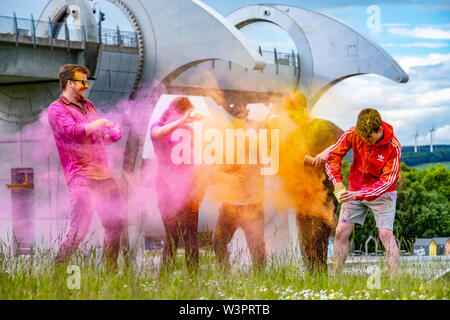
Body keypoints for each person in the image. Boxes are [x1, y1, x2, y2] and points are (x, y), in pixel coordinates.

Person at [48, 64, 124, 266]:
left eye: (86, 81)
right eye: (81, 81)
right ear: (69, 83)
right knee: (79, 230)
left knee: (116, 223)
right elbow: (73, 131)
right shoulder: (56, 109)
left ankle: (110, 272)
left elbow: (98, 136)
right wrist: (99, 124)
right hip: (81, 177)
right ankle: (58, 271)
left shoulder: (89, 105)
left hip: (105, 176)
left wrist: (113, 134)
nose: (85, 85)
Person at [325, 108, 401, 277]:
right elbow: (332, 157)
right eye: (363, 138)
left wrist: (358, 195)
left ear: (379, 130)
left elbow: (387, 182)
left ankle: (395, 282)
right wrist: (337, 183)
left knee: (385, 234)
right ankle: (335, 278)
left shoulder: (394, 147)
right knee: (340, 231)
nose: (365, 141)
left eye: (369, 138)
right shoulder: (353, 133)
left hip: (382, 194)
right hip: (355, 189)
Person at [274, 92, 343, 272]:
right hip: (303, 199)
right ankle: (317, 282)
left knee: (318, 241)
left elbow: (347, 141)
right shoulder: (293, 136)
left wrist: (326, 152)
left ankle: (319, 282)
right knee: (308, 245)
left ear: (304, 109)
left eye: (293, 111)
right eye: (289, 113)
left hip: (324, 195)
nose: (290, 116)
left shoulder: (323, 126)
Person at [150, 96, 204, 270]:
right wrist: (182, 121)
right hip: (166, 189)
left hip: (189, 188)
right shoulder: (158, 126)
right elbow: (156, 134)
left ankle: (193, 280)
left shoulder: (189, 131)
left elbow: (196, 160)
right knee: (172, 236)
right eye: (184, 113)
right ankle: (165, 280)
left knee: (191, 236)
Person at [212, 104, 266, 270]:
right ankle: (259, 279)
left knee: (253, 245)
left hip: (245, 205)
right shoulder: (254, 144)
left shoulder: (237, 148)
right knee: (252, 245)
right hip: (240, 205)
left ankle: (229, 276)